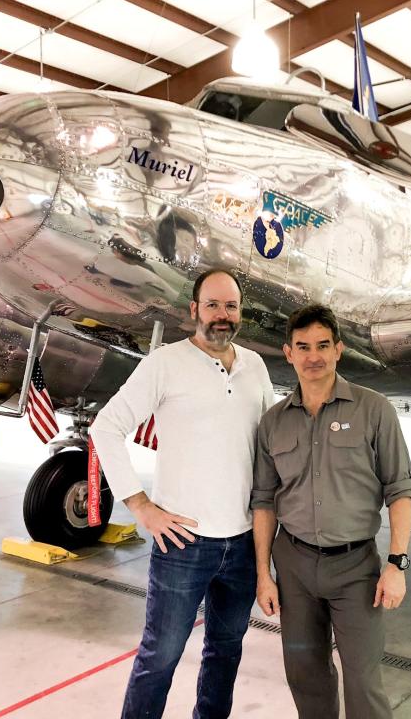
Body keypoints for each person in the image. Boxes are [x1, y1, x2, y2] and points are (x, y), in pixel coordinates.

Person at [90, 268, 275, 719]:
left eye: (230, 306)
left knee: (224, 653)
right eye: (212, 305)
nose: (222, 315)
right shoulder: (164, 363)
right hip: (183, 544)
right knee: (160, 658)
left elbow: (274, 442)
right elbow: (106, 427)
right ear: (194, 310)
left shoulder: (255, 366)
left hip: (245, 544)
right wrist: (141, 506)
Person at [251, 304, 411, 719]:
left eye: (323, 345)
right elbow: (264, 501)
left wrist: (397, 563)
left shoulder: (374, 410)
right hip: (293, 565)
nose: (314, 357)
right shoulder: (273, 423)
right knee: (305, 674)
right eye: (303, 347)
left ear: (339, 349)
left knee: (362, 680)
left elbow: (401, 489)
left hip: (355, 567)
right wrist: (262, 576)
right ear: (288, 353)